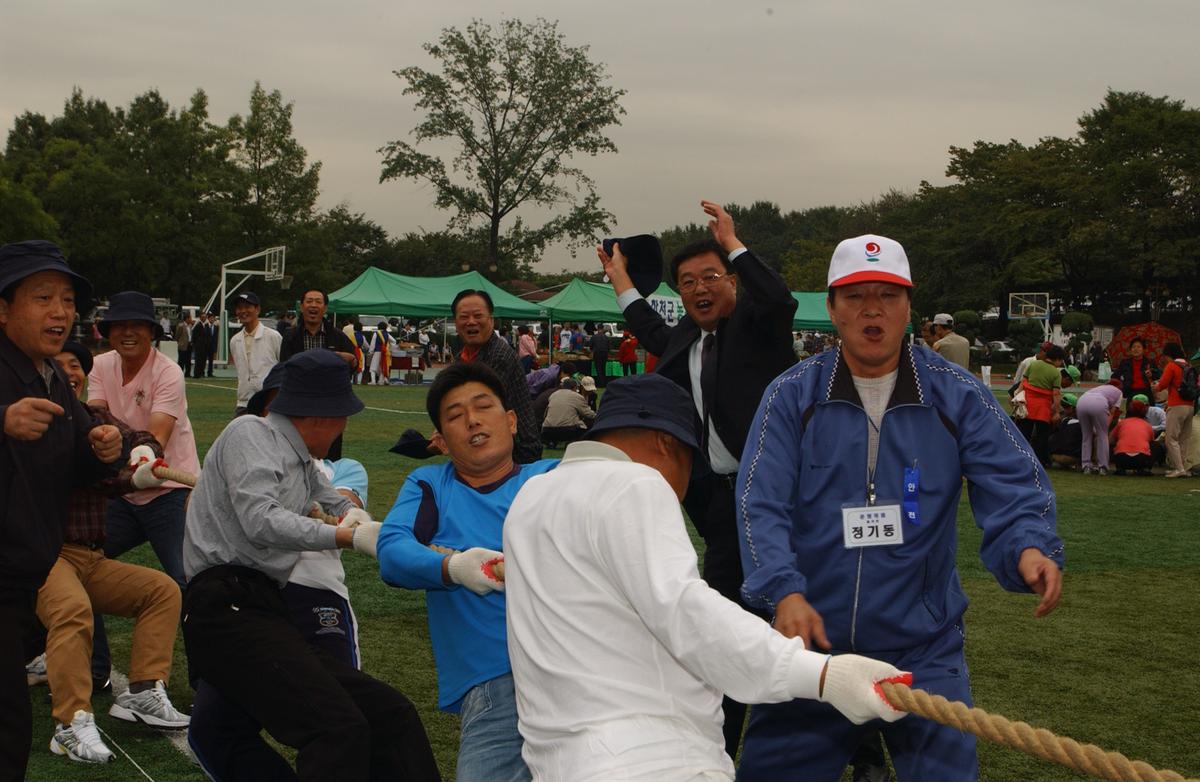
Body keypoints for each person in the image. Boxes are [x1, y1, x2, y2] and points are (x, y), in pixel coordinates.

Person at [735, 234, 1063, 781]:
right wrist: (783, 591)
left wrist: (1027, 545)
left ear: (909, 307)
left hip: (924, 648)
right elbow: (757, 502)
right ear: (833, 310)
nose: (872, 309)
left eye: (887, 294)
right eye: (855, 295)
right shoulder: (790, 395)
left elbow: (1012, 482)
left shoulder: (957, 394)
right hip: (813, 646)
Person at [504, 373, 907, 782]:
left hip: (558, 762)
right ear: (666, 443)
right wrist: (821, 675)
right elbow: (685, 610)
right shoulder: (635, 483)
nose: (680, 493)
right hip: (652, 758)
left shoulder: (531, 496)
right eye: (689, 469)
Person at [181, 350, 440, 781]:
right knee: (337, 727)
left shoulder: (302, 463)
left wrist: (405, 538)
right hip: (224, 608)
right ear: (324, 415)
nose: (343, 428)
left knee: (389, 714)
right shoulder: (249, 431)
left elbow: (338, 504)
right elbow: (260, 520)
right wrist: (345, 534)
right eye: (343, 416)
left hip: (261, 609)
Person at [599, 199, 798, 756]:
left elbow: (778, 297)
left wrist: (733, 241)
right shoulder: (687, 337)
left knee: (789, 615)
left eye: (711, 276)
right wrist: (620, 280)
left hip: (777, 500)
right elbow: (645, 325)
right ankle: (722, 742)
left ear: (732, 281)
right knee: (724, 625)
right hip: (718, 505)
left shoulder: (758, 327)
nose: (699, 288)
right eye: (687, 282)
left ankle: (852, 746)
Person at [376, 362, 556, 782]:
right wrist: (454, 566)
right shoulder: (431, 485)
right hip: (498, 680)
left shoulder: (548, 477)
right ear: (440, 440)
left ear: (511, 421)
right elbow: (393, 551)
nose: (472, 420)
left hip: (569, 667)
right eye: (455, 416)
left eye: (483, 407)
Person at [0, 240, 125, 781]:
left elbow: (77, 466)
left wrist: (101, 449)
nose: (59, 311)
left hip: (27, 575)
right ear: (2, 308)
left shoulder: (51, 374)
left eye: (68, 299)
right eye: (42, 296)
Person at [39, 342, 188, 765]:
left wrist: (141, 454)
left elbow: (138, 438)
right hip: (43, 555)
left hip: (88, 556)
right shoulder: (31, 417)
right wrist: (121, 469)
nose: (70, 372)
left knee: (161, 590)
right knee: (72, 609)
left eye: (77, 366)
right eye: (59, 365)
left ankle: (141, 693)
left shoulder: (93, 417)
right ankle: (69, 722)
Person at [89, 292, 201, 588]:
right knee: (80, 562)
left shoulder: (168, 371)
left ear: (151, 331)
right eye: (119, 325)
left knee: (187, 578)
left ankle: (210, 633)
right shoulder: (99, 366)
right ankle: (91, 637)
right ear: (108, 331)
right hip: (124, 491)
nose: (127, 332)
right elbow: (96, 419)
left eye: (137, 325)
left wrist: (113, 441)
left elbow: (156, 440)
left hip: (170, 490)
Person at [452, 289, 542, 463]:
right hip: (487, 446)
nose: (471, 322)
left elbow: (479, 407)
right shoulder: (461, 358)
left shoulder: (500, 355)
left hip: (517, 451)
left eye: (478, 316)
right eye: (464, 317)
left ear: (491, 320)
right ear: (455, 323)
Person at [280, 288, 358, 461]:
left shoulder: (338, 336)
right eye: (309, 301)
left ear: (325, 308)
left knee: (330, 458)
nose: (313, 305)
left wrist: (351, 360)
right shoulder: (290, 336)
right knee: (297, 455)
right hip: (299, 406)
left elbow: (353, 364)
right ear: (301, 307)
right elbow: (284, 368)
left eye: (318, 301)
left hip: (330, 407)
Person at [229, 292, 282, 416]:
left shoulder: (273, 336)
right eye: (239, 308)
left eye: (247, 307)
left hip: (267, 403)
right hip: (243, 404)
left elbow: (282, 367)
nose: (243, 311)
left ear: (257, 309)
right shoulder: (235, 340)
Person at [1019, 345, 1067, 466]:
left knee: (1024, 433)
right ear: (1057, 359)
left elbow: (1023, 383)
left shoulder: (1034, 364)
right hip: (1043, 407)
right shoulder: (1056, 373)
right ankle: (1040, 461)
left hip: (1028, 403)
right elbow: (1056, 395)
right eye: (1061, 360)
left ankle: (1020, 456)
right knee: (1042, 437)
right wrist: (1056, 412)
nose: (1060, 363)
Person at [1154, 342, 1194, 478]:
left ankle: (1179, 469)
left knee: (1170, 438)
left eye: (1164, 355)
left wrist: (1154, 386)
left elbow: (1163, 384)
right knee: (1184, 438)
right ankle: (1182, 467)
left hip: (1176, 405)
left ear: (1168, 354)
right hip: (1190, 406)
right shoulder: (1188, 366)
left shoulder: (1172, 366)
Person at [1076, 380, 1124, 475]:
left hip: (1081, 401)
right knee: (1102, 436)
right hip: (1099, 403)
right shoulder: (1119, 392)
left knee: (1086, 436)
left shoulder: (1099, 388)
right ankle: (1103, 467)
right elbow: (1112, 413)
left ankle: (1086, 466)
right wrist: (1104, 428)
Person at [540, 377, 596, 446]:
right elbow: (589, 414)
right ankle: (573, 440)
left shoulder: (553, 395)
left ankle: (552, 441)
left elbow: (545, 415)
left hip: (547, 430)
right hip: (567, 431)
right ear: (575, 387)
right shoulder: (577, 396)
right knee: (590, 423)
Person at [1111, 397, 1155, 476]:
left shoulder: (1122, 423)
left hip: (1122, 458)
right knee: (1155, 445)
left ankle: (1120, 468)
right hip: (1141, 459)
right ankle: (1145, 468)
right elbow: (1152, 442)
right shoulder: (1147, 425)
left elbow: (1110, 440)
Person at [1114, 337, 1156, 403]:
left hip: (1147, 392)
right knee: (1131, 412)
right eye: (1133, 347)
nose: (1136, 349)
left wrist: (1151, 375)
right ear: (1130, 350)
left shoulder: (1150, 362)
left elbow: (1158, 377)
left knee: (1147, 413)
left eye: (1139, 347)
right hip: (1130, 392)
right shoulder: (1125, 362)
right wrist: (1122, 385)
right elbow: (1115, 376)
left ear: (1144, 350)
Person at [175, 313, 194, 377]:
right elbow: (177, 336)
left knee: (188, 360)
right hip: (182, 345)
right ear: (187, 319)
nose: (191, 319)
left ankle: (187, 373)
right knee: (181, 360)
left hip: (189, 345)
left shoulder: (190, 326)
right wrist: (180, 342)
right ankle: (179, 374)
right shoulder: (181, 326)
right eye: (190, 318)